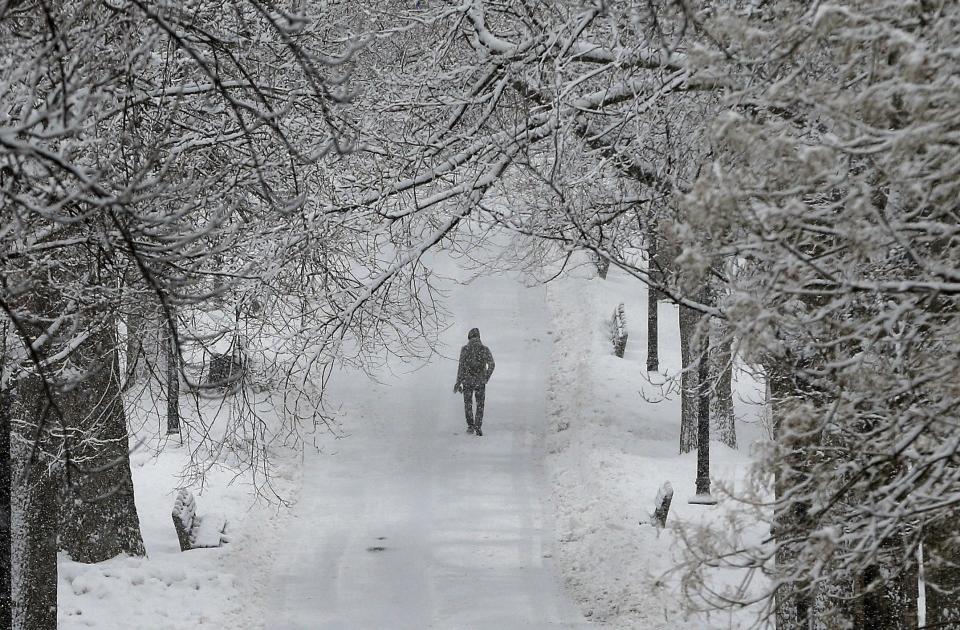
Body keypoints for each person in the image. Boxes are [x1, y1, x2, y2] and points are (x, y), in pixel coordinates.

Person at [453, 327, 495, 436]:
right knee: (480, 404)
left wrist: (458, 382)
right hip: (480, 381)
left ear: (469, 337)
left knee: (468, 404)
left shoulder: (465, 349)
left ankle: (470, 425)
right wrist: (485, 377)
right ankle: (478, 426)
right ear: (479, 337)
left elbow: (461, 367)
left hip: (467, 380)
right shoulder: (484, 349)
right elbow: (492, 364)